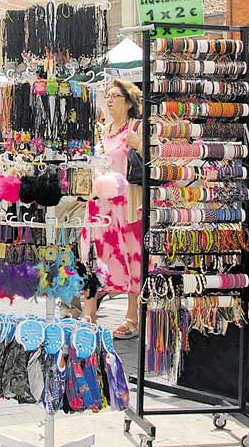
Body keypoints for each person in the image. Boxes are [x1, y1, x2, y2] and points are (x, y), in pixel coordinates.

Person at [81, 79, 145, 338]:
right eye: (107, 96)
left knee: (131, 258)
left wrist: (139, 143)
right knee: (92, 257)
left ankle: (132, 316)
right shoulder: (102, 131)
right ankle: (89, 314)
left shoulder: (137, 127)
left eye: (115, 96)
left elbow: (157, 159)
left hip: (127, 204)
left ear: (129, 102)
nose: (109, 100)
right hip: (100, 204)